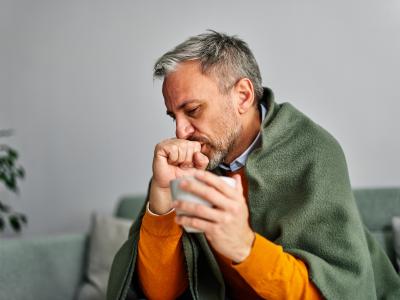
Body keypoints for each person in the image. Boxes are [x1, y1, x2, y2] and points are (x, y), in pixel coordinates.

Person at [107, 30, 400, 300]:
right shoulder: (191, 165)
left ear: (243, 96)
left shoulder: (313, 151)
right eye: (174, 116)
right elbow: (161, 293)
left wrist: (243, 246)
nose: (180, 131)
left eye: (193, 110)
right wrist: (162, 202)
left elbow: (336, 292)